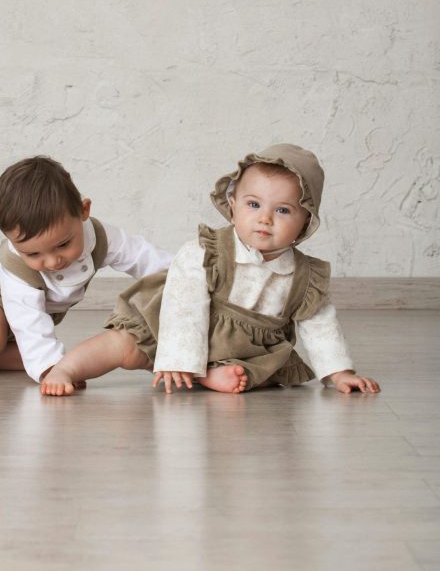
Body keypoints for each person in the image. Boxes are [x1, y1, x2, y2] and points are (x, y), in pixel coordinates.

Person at [40, 144, 381, 397]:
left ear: (306, 221)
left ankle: (208, 375)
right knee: (124, 347)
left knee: (253, 374)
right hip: (173, 328)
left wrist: (339, 373)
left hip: (238, 349)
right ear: (232, 206)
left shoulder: (304, 278)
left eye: (283, 210)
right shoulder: (207, 252)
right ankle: (67, 368)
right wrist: (177, 359)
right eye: (253, 204)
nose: (265, 218)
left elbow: (320, 326)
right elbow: (183, 308)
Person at [0, 156, 171, 383]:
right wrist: (52, 369)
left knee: (21, 355)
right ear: (11, 240)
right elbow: (28, 321)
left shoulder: (101, 237)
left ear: (83, 211)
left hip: (17, 319)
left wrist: (183, 275)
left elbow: (144, 258)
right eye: (33, 253)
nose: (51, 261)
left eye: (63, 244)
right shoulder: (16, 268)